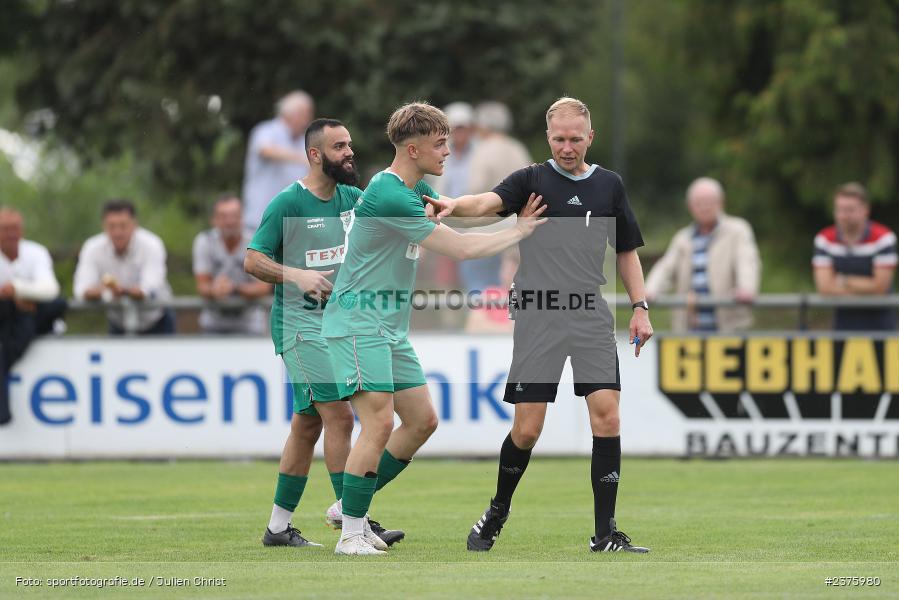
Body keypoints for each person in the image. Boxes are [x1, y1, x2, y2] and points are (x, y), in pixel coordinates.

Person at [320, 102, 546, 556]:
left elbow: (458, 218)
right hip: (358, 321)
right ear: (412, 147)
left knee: (422, 421)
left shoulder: (415, 188)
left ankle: (347, 506)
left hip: (387, 327)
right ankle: (350, 534)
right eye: (440, 144)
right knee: (379, 422)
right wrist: (519, 230)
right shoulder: (389, 192)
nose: (448, 152)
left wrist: (496, 210)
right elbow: (460, 250)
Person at [429, 97, 653, 553]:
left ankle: (606, 533)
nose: (567, 147)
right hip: (538, 312)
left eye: (575, 139)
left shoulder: (609, 185)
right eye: (558, 139)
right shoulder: (531, 180)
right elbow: (486, 203)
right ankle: (497, 510)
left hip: (590, 313)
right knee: (528, 429)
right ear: (547, 137)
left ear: (590, 137)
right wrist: (454, 204)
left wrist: (641, 306)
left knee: (607, 416)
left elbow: (627, 250)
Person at [245, 118, 403, 549]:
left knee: (307, 424)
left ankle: (278, 528)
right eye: (339, 146)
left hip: (337, 326)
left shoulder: (353, 197)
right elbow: (253, 260)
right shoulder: (287, 203)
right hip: (299, 326)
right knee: (337, 415)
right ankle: (355, 522)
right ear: (315, 155)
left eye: (350, 144)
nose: (350, 152)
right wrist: (296, 274)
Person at [645, 177, 760, 332]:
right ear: (690, 207)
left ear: (721, 203)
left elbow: (747, 262)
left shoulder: (738, 230)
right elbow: (665, 267)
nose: (704, 207)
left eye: (709, 201)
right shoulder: (683, 238)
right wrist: (649, 290)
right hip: (691, 328)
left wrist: (746, 288)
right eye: (699, 203)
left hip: (729, 326)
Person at [457, 101, 534, 295]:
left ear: (483, 126)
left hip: (485, 233)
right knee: (510, 293)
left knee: (480, 291)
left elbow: (475, 191)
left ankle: (482, 324)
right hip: (515, 234)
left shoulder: (482, 151)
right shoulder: (518, 149)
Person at [0, 207, 65, 425]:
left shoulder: (35, 252)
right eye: (5, 229)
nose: (11, 234)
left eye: (15, 228)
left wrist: (18, 291)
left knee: (56, 305)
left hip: (31, 317)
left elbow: (50, 289)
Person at [73, 200, 175, 335]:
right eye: (111, 226)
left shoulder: (152, 245)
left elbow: (148, 288)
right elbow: (81, 290)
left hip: (158, 321)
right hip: (118, 323)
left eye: (123, 226)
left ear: (134, 225)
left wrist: (116, 291)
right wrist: (108, 292)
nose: (117, 232)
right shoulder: (92, 248)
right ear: (103, 226)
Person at [813, 182, 897, 330]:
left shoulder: (883, 238)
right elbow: (825, 288)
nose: (844, 215)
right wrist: (866, 286)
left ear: (865, 210)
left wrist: (842, 280)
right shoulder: (824, 239)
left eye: (850, 210)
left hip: (881, 324)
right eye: (840, 209)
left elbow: (880, 288)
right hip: (843, 323)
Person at [193, 195, 271, 334]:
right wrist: (214, 290)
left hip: (250, 324)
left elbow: (264, 287)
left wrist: (234, 288)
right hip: (213, 323)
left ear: (242, 218)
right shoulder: (204, 241)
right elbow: (202, 285)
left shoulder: (257, 241)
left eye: (234, 216)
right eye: (223, 216)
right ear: (214, 220)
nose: (229, 222)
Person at [242, 91, 315, 230]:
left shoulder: (304, 141)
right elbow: (265, 150)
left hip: (291, 223)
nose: (308, 119)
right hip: (260, 217)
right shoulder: (266, 130)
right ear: (290, 113)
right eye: (305, 113)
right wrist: (302, 158)